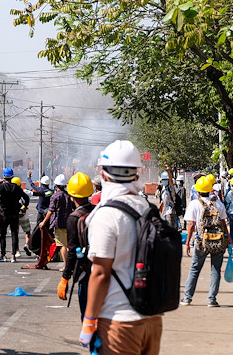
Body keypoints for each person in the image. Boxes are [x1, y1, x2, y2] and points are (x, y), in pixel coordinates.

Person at [80, 140, 162, 355]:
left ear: (104, 174)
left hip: (119, 320)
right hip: (151, 318)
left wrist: (89, 322)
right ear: (137, 174)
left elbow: (100, 273)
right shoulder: (148, 208)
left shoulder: (106, 215)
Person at [180, 175, 230, 307]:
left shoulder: (194, 204)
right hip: (218, 240)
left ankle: (187, 298)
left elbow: (191, 224)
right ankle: (211, 299)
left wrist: (188, 242)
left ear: (198, 191)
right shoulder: (218, 203)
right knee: (215, 270)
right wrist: (228, 239)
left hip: (201, 241)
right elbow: (224, 223)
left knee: (195, 269)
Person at [57, 172, 94, 319]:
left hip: (85, 272)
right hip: (105, 271)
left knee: (87, 316)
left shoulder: (74, 219)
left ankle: (90, 340)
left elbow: (72, 251)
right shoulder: (98, 211)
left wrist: (65, 278)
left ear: (71, 196)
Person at [0, 167, 29, 263]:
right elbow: (26, 198)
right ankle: (13, 256)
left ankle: (3, 255)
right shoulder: (17, 188)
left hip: (4, 213)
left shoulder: (1, 187)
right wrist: (24, 207)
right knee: (14, 234)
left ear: (4, 177)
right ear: (12, 176)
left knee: (3, 235)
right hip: (15, 213)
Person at [39, 174, 73, 269]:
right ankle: (69, 264)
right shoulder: (68, 196)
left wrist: (44, 222)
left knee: (62, 245)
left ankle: (66, 266)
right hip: (68, 223)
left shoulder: (55, 196)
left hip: (59, 224)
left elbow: (50, 211)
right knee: (67, 244)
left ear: (56, 185)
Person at [11, 177, 33, 256]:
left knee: (15, 234)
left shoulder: (10, 193)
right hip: (24, 215)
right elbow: (33, 194)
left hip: (14, 215)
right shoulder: (24, 191)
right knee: (27, 231)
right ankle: (26, 244)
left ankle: (17, 250)